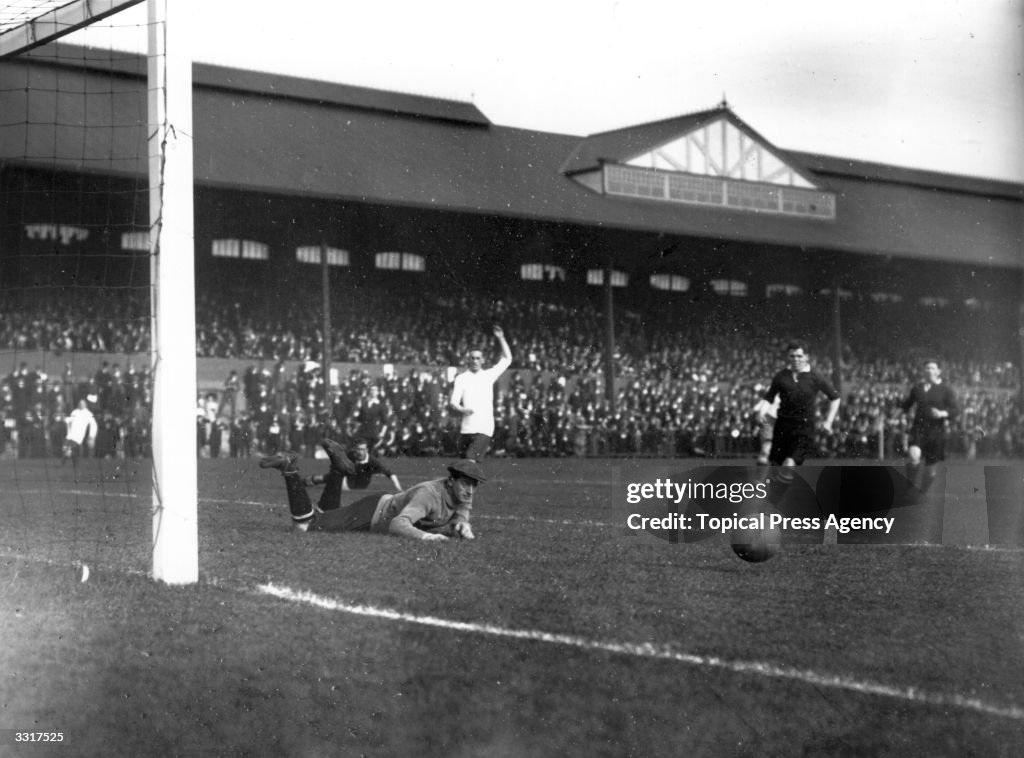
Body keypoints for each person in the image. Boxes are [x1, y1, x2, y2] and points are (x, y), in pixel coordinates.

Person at [259, 451, 485, 541]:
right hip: (372, 514)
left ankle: (338, 471)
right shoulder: (429, 494)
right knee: (304, 527)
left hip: (378, 505)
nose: (470, 491)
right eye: (466, 484)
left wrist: (462, 525)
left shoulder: (463, 493)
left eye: (473, 485)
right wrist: (428, 538)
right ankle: (290, 469)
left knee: (325, 515)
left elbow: (461, 513)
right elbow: (398, 524)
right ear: (452, 480)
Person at [757, 342, 840, 498]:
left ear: (806, 357)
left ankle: (775, 499)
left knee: (789, 464)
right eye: (792, 356)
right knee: (775, 467)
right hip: (782, 427)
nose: (796, 359)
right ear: (787, 357)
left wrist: (828, 421)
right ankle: (770, 497)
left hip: (804, 428)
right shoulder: (781, 376)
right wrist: (761, 412)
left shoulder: (815, 376)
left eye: (799, 356)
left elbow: (835, 398)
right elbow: (769, 397)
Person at [449, 325, 512, 459]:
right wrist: (462, 410)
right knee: (464, 466)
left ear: (483, 360)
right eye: (472, 358)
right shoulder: (461, 378)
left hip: (484, 427)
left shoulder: (488, 375)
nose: (475, 361)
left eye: (478, 358)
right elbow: (454, 401)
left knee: (470, 461)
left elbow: (507, 359)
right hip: (466, 428)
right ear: (468, 360)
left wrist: (501, 338)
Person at [900, 359, 958, 492]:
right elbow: (907, 404)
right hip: (919, 428)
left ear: (938, 371)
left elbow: (956, 409)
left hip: (936, 432)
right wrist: (899, 411)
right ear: (923, 371)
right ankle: (910, 486)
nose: (929, 370)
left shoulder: (946, 390)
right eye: (927, 368)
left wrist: (943, 413)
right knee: (914, 456)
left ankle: (923, 491)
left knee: (930, 471)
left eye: (932, 368)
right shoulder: (917, 388)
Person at [309, 437, 402, 494]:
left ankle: (310, 481)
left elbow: (390, 474)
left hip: (354, 485)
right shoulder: (351, 454)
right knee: (327, 478)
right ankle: (308, 481)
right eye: (358, 449)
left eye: (363, 449)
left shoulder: (372, 461)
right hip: (346, 480)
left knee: (327, 479)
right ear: (355, 449)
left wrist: (398, 487)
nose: (360, 452)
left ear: (367, 450)